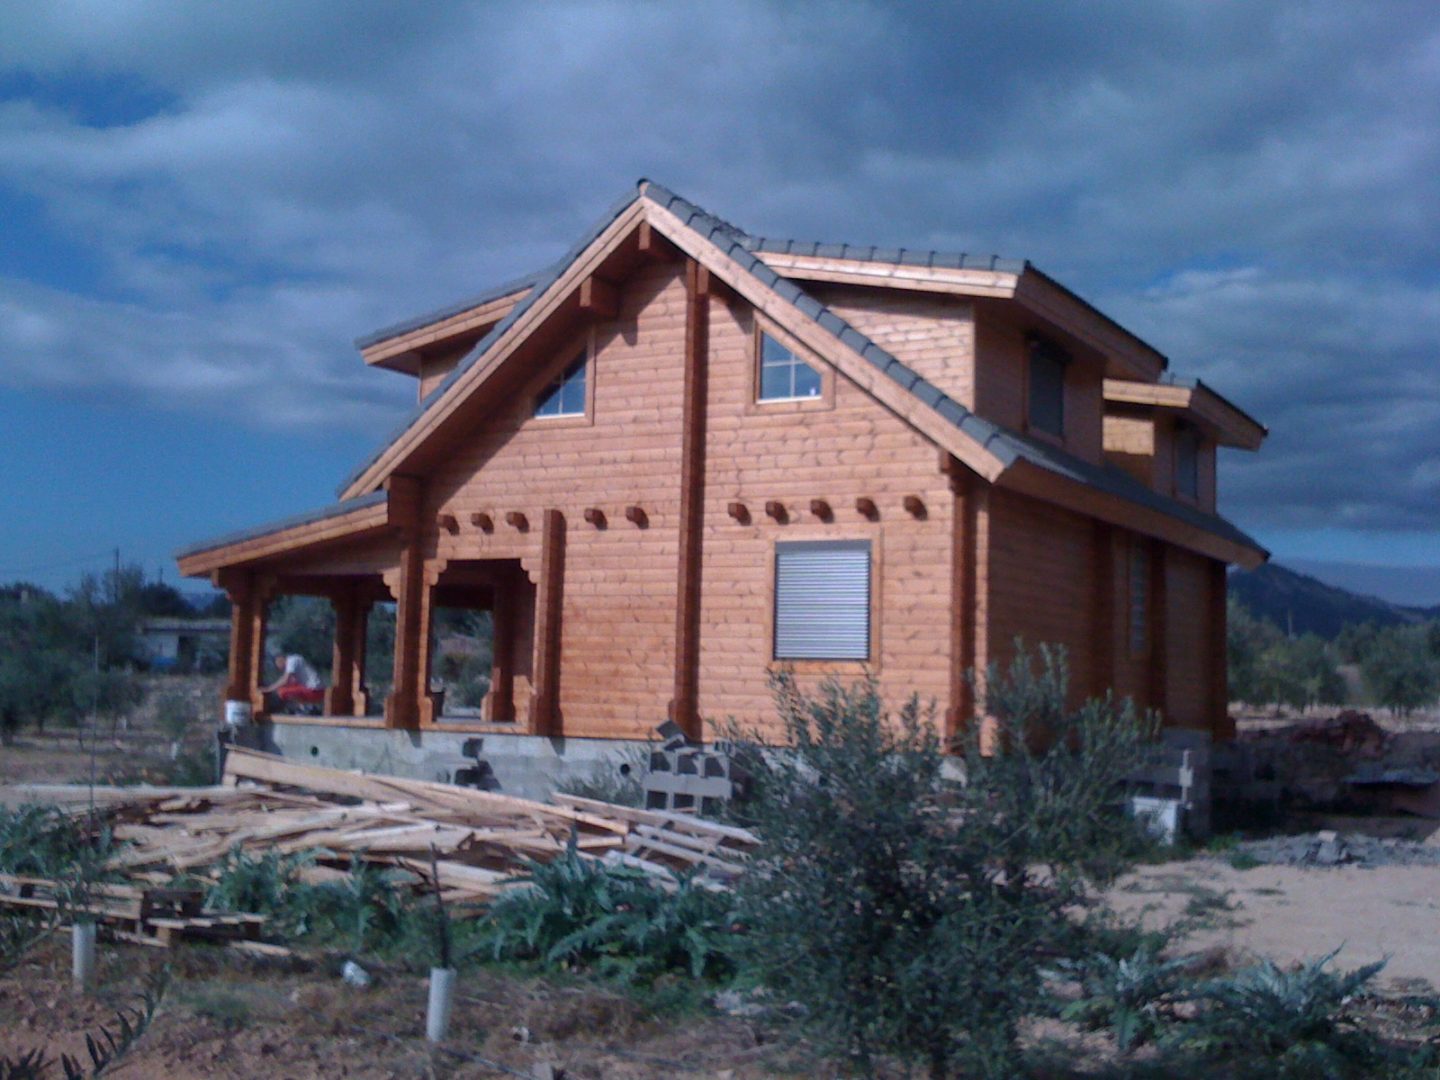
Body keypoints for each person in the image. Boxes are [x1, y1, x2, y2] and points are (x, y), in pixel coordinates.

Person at [261, 653, 325, 713]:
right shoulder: (294, 662)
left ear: (280, 660)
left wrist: (269, 689)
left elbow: (285, 680)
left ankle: (307, 707)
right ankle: (303, 707)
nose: (279, 668)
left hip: (315, 690)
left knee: (282, 692)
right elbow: (289, 681)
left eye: (277, 664)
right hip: (315, 690)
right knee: (286, 688)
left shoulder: (291, 661)